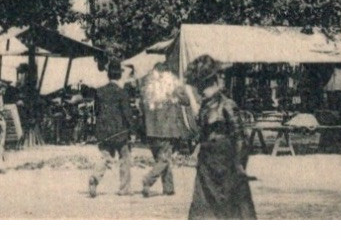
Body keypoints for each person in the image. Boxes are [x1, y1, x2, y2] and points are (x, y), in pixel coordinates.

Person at [185, 55, 256, 219]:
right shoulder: (205, 105)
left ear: (213, 81)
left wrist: (239, 166)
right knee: (202, 213)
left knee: (232, 213)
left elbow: (241, 138)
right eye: (200, 85)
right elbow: (200, 122)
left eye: (204, 85)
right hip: (206, 168)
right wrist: (190, 95)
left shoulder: (228, 105)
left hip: (227, 169)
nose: (201, 90)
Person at [139, 61, 196, 198]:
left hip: (151, 130)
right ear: (167, 74)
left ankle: (168, 188)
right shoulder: (172, 86)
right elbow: (186, 101)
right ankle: (148, 179)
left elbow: (142, 108)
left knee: (162, 159)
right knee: (164, 160)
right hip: (167, 129)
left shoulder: (147, 88)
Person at [87, 62, 137, 197]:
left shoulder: (99, 91)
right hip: (120, 131)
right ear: (120, 75)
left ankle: (95, 177)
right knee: (124, 158)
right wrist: (132, 131)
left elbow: (96, 111)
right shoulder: (122, 93)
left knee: (106, 157)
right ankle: (124, 189)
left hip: (103, 130)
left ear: (108, 75)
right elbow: (127, 113)